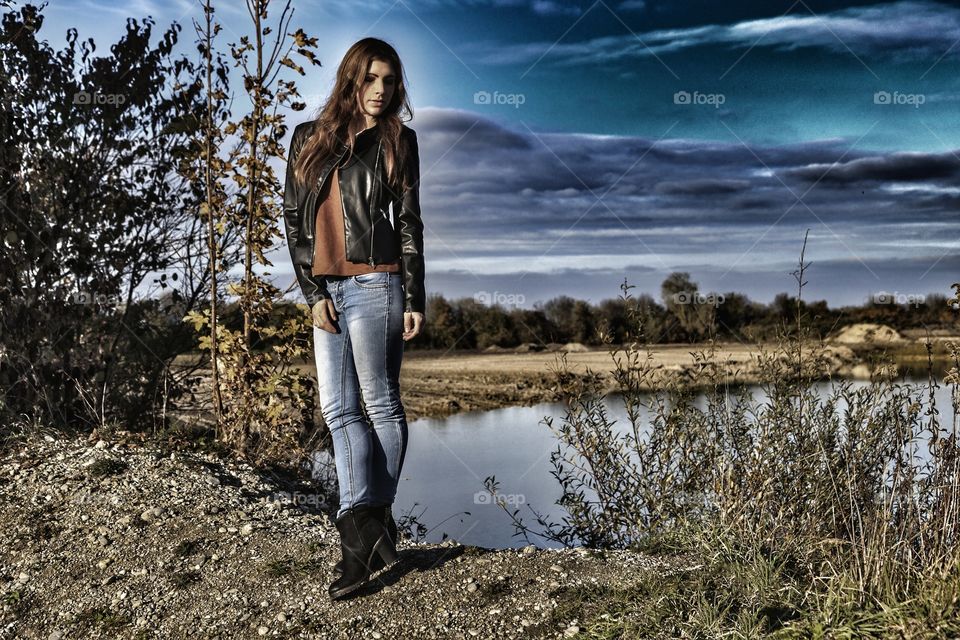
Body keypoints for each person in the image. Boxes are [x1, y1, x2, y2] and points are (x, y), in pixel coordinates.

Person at [281, 37, 425, 600]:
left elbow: (409, 221)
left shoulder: (399, 140)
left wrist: (414, 296)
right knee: (338, 411)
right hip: (328, 289)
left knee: (380, 404)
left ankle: (359, 532)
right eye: (370, 78)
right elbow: (293, 220)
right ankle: (372, 527)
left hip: (377, 282)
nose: (380, 90)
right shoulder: (308, 138)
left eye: (389, 80)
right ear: (350, 79)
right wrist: (311, 291)